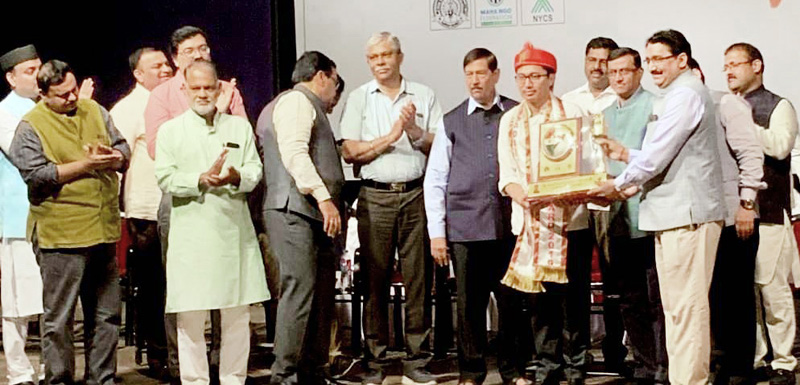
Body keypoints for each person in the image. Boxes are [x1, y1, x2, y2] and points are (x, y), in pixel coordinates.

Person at [589, 30, 727, 385]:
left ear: (681, 60)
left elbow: (657, 157)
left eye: (658, 59)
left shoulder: (686, 94)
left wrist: (617, 184)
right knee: (677, 310)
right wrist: (625, 159)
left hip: (687, 216)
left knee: (686, 309)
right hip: (672, 216)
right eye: (648, 59)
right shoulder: (674, 95)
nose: (652, 67)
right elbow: (657, 156)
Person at [9, 59, 131, 385]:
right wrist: (86, 165)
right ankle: (59, 379)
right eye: (62, 95)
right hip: (60, 234)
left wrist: (115, 157)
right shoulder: (30, 126)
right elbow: (37, 176)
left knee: (106, 316)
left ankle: (101, 378)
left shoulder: (95, 110)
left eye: (74, 90)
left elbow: (123, 147)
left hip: (102, 228)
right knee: (60, 318)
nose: (72, 98)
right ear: (43, 94)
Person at [154, 60, 268, 385]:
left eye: (208, 87)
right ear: (185, 90)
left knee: (237, 315)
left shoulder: (239, 127)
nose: (203, 94)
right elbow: (165, 177)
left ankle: (234, 379)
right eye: (196, 88)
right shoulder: (170, 131)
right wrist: (199, 179)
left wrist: (235, 177)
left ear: (219, 89)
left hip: (233, 233)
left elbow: (255, 170)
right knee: (191, 317)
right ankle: (194, 381)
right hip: (191, 235)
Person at [144, 25, 246, 381]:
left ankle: (223, 365)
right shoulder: (162, 95)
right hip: (183, 200)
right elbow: (156, 149)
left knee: (229, 291)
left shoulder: (228, 90)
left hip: (225, 202)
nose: (199, 55)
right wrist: (199, 150)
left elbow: (243, 140)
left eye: (203, 48)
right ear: (176, 59)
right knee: (185, 293)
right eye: (190, 51)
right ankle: (184, 370)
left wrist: (222, 115)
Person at [339, 32, 442, 385]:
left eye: (386, 55)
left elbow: (439, 145)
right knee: (375, 281)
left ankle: (417, 359)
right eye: (373, 57)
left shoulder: (423, 95)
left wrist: (413, 130)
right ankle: (376, 359)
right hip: (375, 197)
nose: (380, 62)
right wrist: (391, 136)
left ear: (400, 57)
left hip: (416, 194)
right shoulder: (359, 98)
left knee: (418, 280)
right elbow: (350, 151)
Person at [423, 48, 528, 385]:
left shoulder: (517, 112)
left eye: (481, 73)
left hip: (508, 226)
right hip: (465, 228)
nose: (474, 81)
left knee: (511, 303)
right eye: (469, 74)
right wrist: (437, 233)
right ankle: (470, 373)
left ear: (495, 75)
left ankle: (513, 370)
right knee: (469, 306)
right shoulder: (451, 121)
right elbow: (436, 178)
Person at [497, 42, 593, 385]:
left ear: (551, 78)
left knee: (574, 300)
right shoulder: (510, 120)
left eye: (535, 76)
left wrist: (568, 189)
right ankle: (547, 366)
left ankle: (576, 366)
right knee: (540, 303)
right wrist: (521, 195)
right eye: (521, 77)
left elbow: (588, 162)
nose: (527, 84)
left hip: (571, 222)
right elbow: (507, 174)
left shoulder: (573, 112)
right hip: (530, 223)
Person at [256, 51, 344, 385]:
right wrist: (324, 198)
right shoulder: (296, 102)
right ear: (321, 76)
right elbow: (295, 154)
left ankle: (312, 371)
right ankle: (285, 375)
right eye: (334, 81)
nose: (335, 90)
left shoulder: (304, 105)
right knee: (300, 290)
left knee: (319, 293)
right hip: (293, 210)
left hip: (309, 214)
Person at [724, 42, 799, 385]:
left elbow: (781, 146)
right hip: (735, 213)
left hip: (769, 212)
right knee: (744, 292)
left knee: (773, 290)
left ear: (756, 65)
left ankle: (784, 361)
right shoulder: (725, 107)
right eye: (726, 65)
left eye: (735, 64)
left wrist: (743, 125)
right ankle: (753, 359)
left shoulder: (778, 105)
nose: (729, 71)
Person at [688, 57, 766, 385]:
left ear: (697, 73)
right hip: (699, 218)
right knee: (710, 295)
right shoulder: (674, 110)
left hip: (735, 214)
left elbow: (750, 155)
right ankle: (718, 363)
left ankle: (740, 369)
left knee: (736, 293)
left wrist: (746, 205)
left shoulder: (725, 103)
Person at [602, 47, 669, 384]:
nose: (618, 77)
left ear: (639, 72)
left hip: (650, 214)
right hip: (617, 218)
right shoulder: (603, 114)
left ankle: (664, 365)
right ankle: (643, 364)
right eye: (613, 72)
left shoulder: (656, 106)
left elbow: (657, 160)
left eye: (624, 71)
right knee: (629, 299)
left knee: (657, 297)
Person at [561, 36, 626, 373]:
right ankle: (577, 354)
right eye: (592, 60)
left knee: (617, 282)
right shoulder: (568, 102)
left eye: (604, 61)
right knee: (575, 282)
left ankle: (616, 351)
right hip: (576, 202)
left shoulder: (624, 100)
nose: (598, 67)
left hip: (612, 199)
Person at [109, 46, 173, 377]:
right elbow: (116, 162)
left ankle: (178, 351)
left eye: (166, 63)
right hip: (146, 209)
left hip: (178, 206)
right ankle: (158, 354)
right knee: (153, 284)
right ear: (138, 74)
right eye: (156, 66)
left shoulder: (175, 101)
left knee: (176, 282)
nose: (165, 69)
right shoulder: (127, 108)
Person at [0, 44, 44, 385]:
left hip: (54, 216)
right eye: (29, 71)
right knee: (17, 300)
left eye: (39, 69)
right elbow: (25, 153)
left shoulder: (51, 107)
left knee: (51, 299)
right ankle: (18, 370)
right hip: (17, 217)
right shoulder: (5, 113)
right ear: (11, 78)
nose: (38, 76)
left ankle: (51, 367)